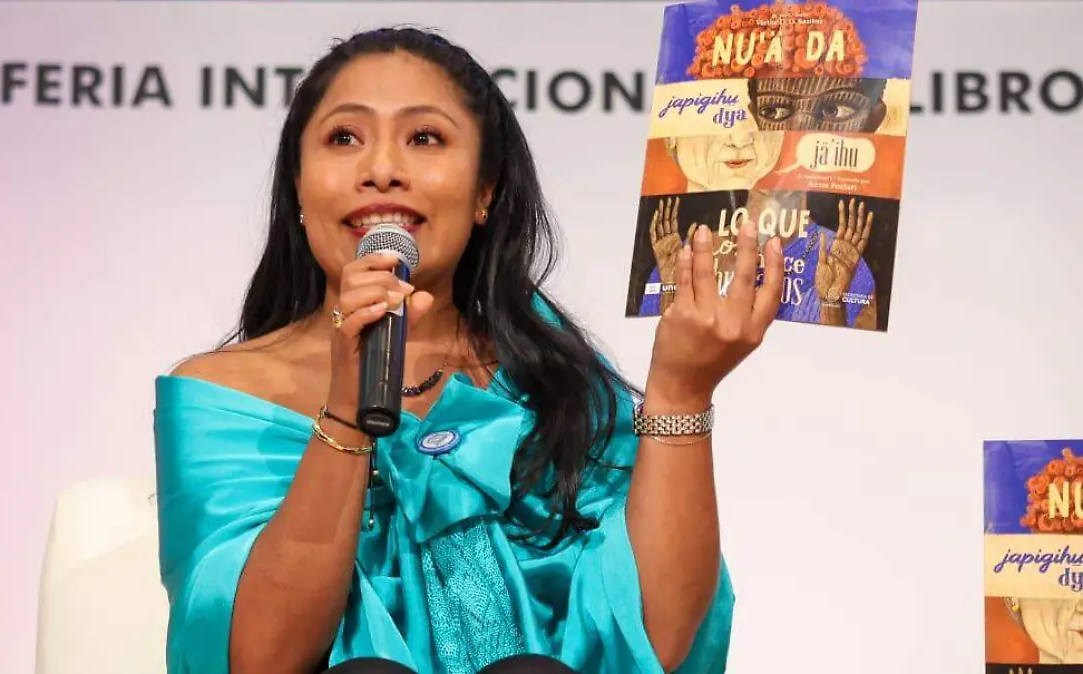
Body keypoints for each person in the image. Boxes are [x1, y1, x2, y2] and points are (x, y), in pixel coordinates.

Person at [153, 26, 785, 674]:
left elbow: (658, 639)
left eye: (424, 138)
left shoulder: (557, 383)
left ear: (485, 192)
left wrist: (682, 391)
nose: (381, 169)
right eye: (344, 138)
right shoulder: (224, 400)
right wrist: (346, 411)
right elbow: (260, 658)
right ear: (297, 186)